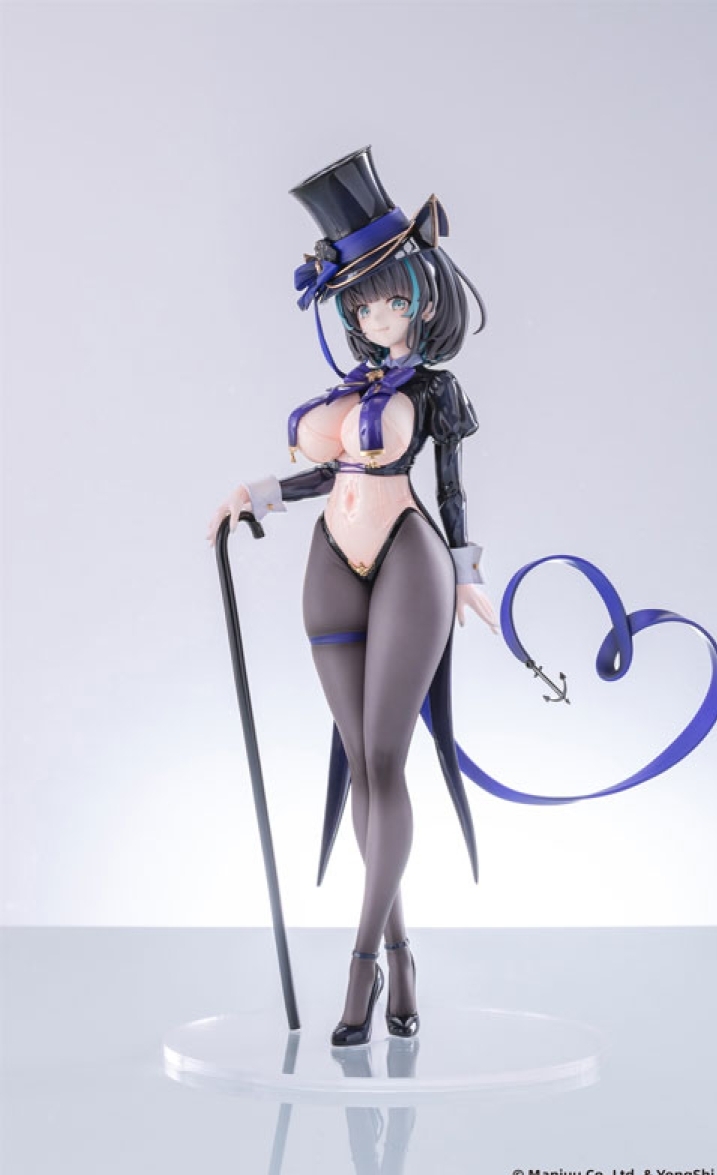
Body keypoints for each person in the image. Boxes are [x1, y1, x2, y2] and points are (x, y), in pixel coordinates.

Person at [207, 147, 496, 1046]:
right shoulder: (349, 389)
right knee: (362, 763)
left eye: (391, 299)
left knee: (384, 760)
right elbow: (328, 474)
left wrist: (470, 574)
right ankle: (402, 957)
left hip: (409, 556)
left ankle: (362, 963)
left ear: (424, 296)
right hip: (332, 560)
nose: (377, 317)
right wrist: (255, 492)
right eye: (362, 304)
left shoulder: (434, 390)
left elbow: (450, 488)